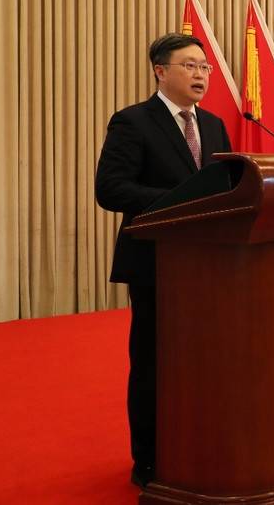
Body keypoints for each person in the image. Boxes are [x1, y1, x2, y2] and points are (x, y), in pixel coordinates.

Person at [95, 33, 232, 489]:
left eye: (205, 67)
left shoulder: (214, 125)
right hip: (157, 262)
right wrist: (182, 200)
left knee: (204, 362)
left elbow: (225, 189)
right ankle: (150, 459)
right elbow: (110, 189)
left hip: (209, 265)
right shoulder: (133, 121)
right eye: (190, 65)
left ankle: (199, 442)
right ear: (160, 70)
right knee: (153, 362)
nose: (201, 74)